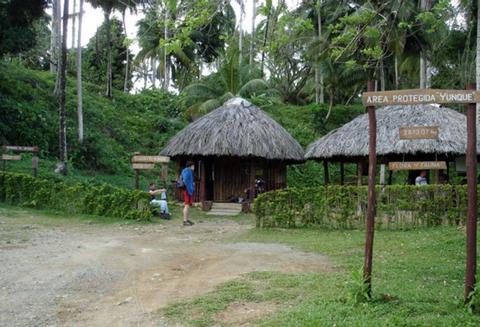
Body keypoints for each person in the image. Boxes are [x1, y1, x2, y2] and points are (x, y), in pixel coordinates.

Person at [181, 161, 195, 226]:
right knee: (186, 205)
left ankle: (187, 219)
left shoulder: (185, 170)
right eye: (193, 166)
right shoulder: (188, 171)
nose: (194, 167)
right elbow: (185, 180)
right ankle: (185, 221)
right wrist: (190, 186)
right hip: (187, 190)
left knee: (188, 205)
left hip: (187, 190)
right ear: (190, 166)